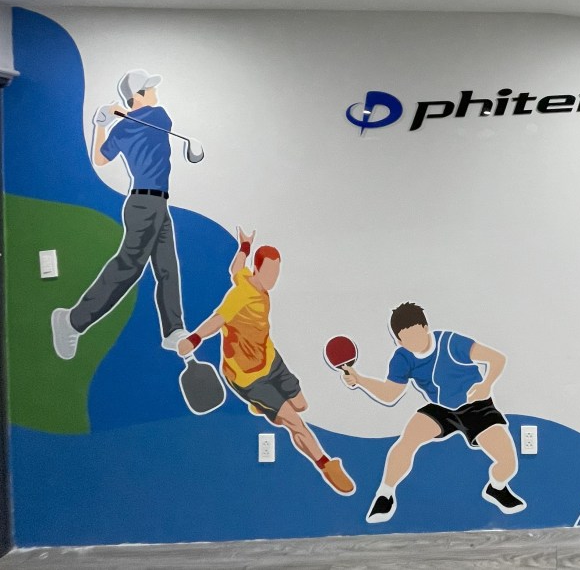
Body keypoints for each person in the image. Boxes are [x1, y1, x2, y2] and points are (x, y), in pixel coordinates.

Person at [176, 229, 355, 496]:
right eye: (269, 272)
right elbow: (218, 319)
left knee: (301, 404)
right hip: (246, 376)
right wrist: (194, 339)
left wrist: (245, 246)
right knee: (294, 421)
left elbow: (235, 268)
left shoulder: (247, 277)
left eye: (276, 272)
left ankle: (264, 406)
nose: (273, 278)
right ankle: (326, 464)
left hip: (270, 359)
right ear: (258, 270)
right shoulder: (240, 295)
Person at [342, 302, 524, 523]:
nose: (413, 342)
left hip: (476, 406)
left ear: (426, 327)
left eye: (416, 334)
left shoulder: (451, 342)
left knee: (508, 463)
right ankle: (385, 494)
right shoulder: (402, 358)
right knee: (407, 440)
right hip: (440, 409)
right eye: (406, 339)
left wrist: (486, 385)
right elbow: (390, 394)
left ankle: (496, 487)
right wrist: (360, 380)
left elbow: (497, 359)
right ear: (399, 341)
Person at [51, 69, 188, 360]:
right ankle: (73, 321)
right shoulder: (145, 119)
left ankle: (173, 330)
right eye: (150, 89)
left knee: (167, 266)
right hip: (144, 205)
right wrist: (105, 121)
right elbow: (100, 159)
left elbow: (102, 156)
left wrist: (107, 120)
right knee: (128, 268)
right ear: (138, 95)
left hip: (156, 204)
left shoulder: (147, 120)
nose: (155, 92)